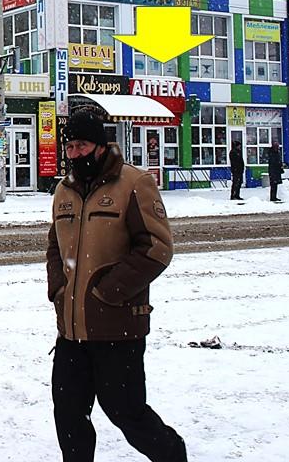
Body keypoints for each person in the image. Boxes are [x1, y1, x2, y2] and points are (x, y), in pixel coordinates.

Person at [47, 110, 186, 462]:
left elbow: (156, 247)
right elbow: (55, 246)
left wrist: (108, 292)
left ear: (100, 145)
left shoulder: (134, 184)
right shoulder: (63, 191)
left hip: (117, 328)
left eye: (82, 145)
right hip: (71, 332)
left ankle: (173, 454)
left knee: (127, 413)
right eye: (70, 147)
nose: (75, 153)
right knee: (69, 415)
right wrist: (58, 290)